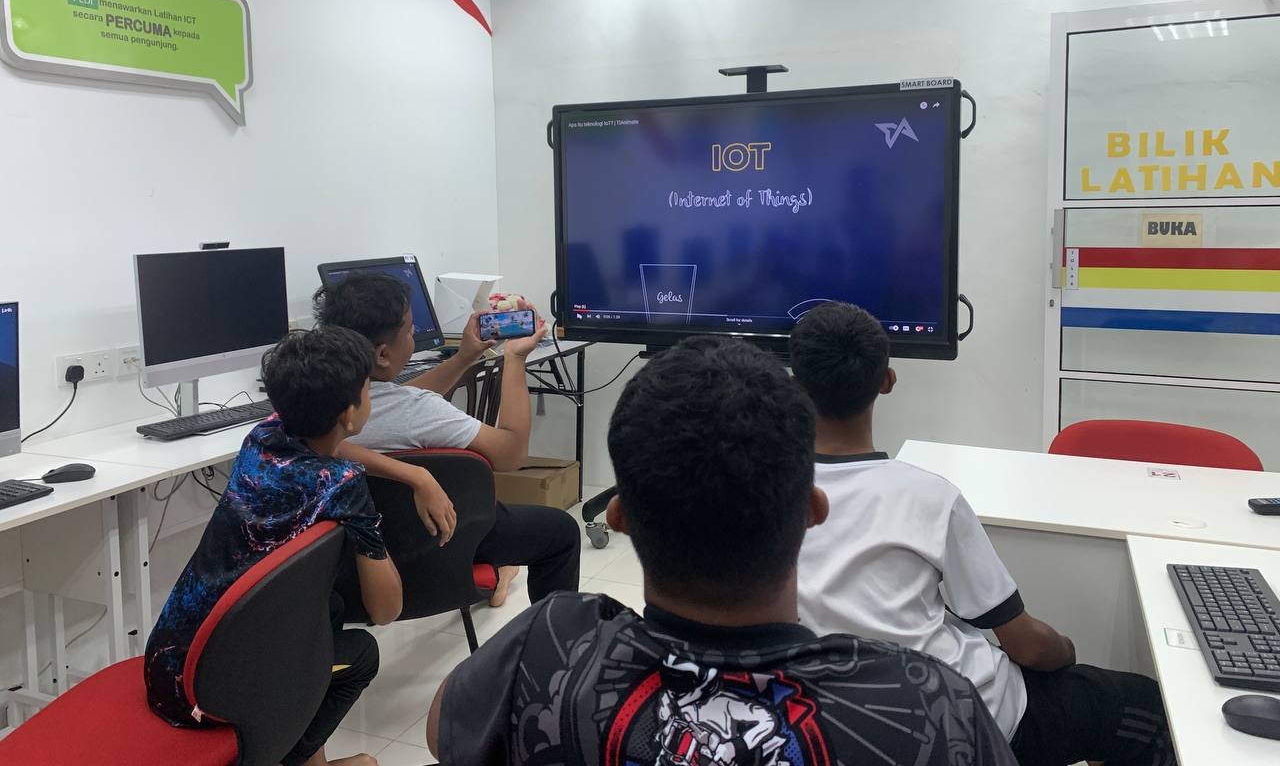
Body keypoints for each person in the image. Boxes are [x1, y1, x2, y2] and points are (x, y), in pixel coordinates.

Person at [425, 336, 1017, 766]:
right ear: (813, 510)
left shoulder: (547, 642)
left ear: (619, 518)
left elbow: (440, 730)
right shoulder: (929, 703)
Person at [790, 302, 1174, 766]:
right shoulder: (930, 497)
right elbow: (1026, 644)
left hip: (822, 726)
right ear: (887, 380)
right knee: (1154, 710)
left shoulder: (767, 496)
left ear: (794, 383)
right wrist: (1066, 652)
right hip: (965, 718)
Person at [144, 326, 402, 766]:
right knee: (362, 655)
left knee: (329, 609)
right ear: (349, 413)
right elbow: (386, 609)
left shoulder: (260, 436)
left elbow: (330, 453)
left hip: (167, 666)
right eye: (367, 389)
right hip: (209, 694)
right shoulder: (343, 485)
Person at [313, 273, 580, 605]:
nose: (414, 336)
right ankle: (552, 629)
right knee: (561, 532)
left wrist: (463, 357)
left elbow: (397, 400)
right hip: (440, 541)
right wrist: (514, 359)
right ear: (382, 355)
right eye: (410, 331)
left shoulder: (312, 409)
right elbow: (511, 453)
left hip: (351, 563)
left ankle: (502, 574)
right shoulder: (419, 412)